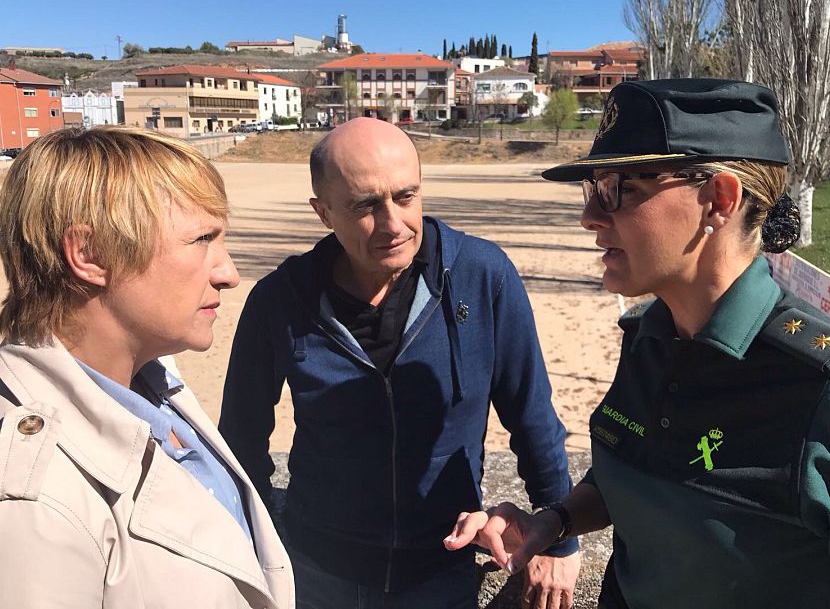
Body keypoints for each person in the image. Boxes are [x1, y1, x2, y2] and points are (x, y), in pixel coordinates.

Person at [445, 78, 830, 608]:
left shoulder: (826, 391)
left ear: (718, 201)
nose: (591, 217)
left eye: (622, 189)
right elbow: (638, 467)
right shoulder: (649, 338)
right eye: (592, 189)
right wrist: (555, 520)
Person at [219, 117, 580, 609]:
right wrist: (253, 542)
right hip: (317, 571)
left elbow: (531, 412)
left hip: (442, 569)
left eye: (406, 196)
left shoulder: (482, 276)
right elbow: (241, 436)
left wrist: (557, 534)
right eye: (365, 205)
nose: (393, 224)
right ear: (323, 212)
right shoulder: (280, 299)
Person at [0, 126, 294, 608]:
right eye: (201, 240)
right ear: (90, 255)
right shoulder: (21, 510)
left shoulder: (147, 387)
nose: (229, 273)